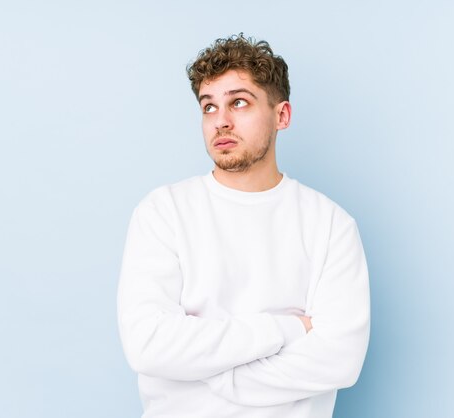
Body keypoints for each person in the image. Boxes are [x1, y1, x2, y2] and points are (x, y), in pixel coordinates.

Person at [117, 34, 370, 418]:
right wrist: (285, 330)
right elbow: (148, 344)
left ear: (281, 115)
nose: (221, 120)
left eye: (239, 102)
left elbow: (340, 359)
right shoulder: (163, 211)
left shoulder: (331, 225)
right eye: (208, 106)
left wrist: (211, 371)